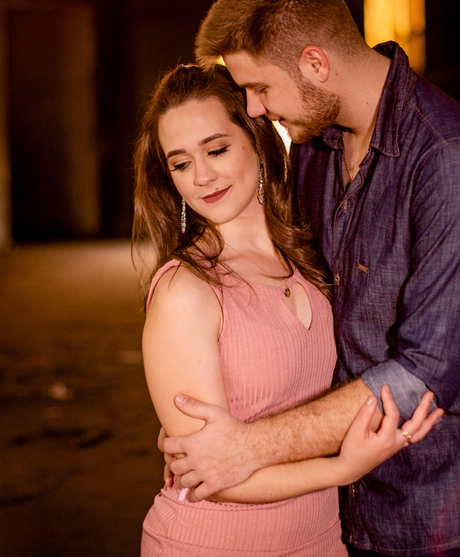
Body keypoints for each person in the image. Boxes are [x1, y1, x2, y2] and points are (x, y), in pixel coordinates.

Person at [162, 0, 460, 556]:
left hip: (457, 510)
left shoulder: (451, 157)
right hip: (356, 509)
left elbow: (423, 373)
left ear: (315, 63)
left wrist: (245, 447)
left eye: (260, 87)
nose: (255, 108)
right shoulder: (316, 149)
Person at [134, 64, 443, 556]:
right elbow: (209, 473)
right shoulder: (185, 289)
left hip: (320, 540)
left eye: (217, 150)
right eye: (180, 163)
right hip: (212, 544)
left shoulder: (303, 257)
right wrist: (343, 468)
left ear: (257, 142)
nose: (202, 176)